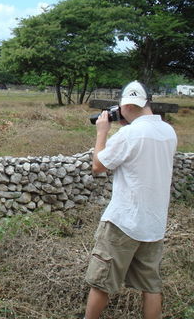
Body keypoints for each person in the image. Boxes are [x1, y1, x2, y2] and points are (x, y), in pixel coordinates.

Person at [84, 80, 177, 319]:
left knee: (101, 282)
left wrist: (102, 132)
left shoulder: (129, 133)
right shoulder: (168, 131)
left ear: (124, 105)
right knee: (151, 287)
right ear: (146, 102)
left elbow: (98, 165)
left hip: (123, 222)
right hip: (154, 224)